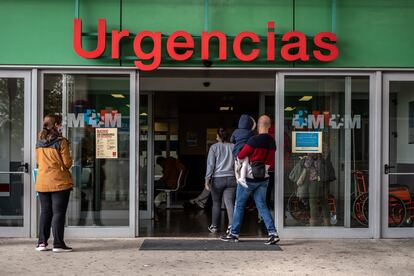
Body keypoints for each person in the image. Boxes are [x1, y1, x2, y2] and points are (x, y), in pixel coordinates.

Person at [220, 115, 279, 245]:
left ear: (258, 125)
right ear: (269, 126)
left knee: (239, 205)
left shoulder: (253, 140)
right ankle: (272, 233)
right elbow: (270, 161)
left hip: (248, 179)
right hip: (264, 178)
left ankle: (234, 234)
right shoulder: (272, 142)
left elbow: (241, 155)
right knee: (262, 205)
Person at [35, 114, 73, 252]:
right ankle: (58, 244)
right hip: (59, 182)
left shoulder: (39, 142)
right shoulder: (61, 142)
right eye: (60, 124)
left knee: (45, 212)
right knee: (58, 213)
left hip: (42, 182)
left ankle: (42, 243)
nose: (61, 126)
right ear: (56, 125)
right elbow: (67, 163)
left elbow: (38, 162)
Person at [205, 128, 237, 234]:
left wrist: (207, 180)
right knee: (229, 203)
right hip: (232, 178)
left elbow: (210, 165)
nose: (215, 137)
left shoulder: (214, 147)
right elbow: (238, 163)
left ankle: (214, 227)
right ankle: (232, 227)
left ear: (219, 136)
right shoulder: (233, 146)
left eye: (216, 136)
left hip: (218, 179)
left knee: (216, 203)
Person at [303, 143, 336, 226]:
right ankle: (327, 222)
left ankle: (314, 222)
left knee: (313, 202)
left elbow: (307, 165)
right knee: (324, 201)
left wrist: (307, 157)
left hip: (315, 180)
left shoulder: (313, 148)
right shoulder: (325, 146)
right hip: (325, 179)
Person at [230, 114, 256, 186]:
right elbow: (253, 141)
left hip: (236, 152)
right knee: (244, 165)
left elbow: (231, 140)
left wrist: (236, 141)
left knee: (236, 166)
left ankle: (237, 180)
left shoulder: (236, 131)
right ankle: (242, 178)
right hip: (245, 152)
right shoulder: (250, 132)